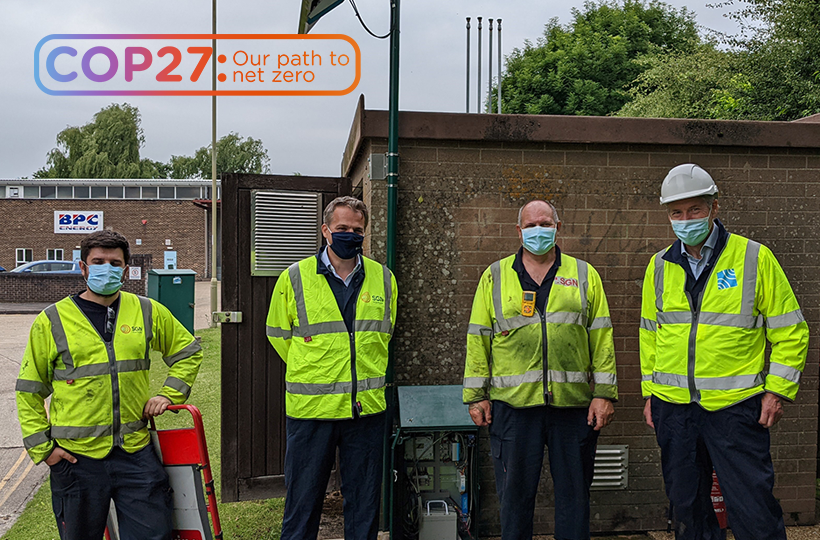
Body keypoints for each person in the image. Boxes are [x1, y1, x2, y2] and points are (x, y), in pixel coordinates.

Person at [640, 164, 809, 540]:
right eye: (677, 213)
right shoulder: (659, 266)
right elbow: (650, 334)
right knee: (687, 509)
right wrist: (650, 392)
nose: (686, 219)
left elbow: (790, 329)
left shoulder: (754, 258)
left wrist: (777, 389)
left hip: (735, 408)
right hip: (674, 409)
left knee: (752, 507)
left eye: (695, 209)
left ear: (715, 207)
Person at [15, 230, 203, 540]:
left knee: (154, 535)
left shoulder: (147, 310)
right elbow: (29, 390)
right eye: (98, 261)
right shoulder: (52, 320)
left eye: (115, 263)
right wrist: (44, 450)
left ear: (125, 270)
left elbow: (188, 353)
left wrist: (169, 394)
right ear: (83, 267)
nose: (107, 268)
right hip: (77, 460)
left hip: (135, 453)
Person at [463, 200, 618, 540]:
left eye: (545, 223)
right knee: (514, 502)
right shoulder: (495, 276)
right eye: (531, 225)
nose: (538, 230)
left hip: (573, 407)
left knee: (574, 500)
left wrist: (604, 394)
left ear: (557, 227)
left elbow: (602, 337)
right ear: (519, 231)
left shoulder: (583, 274)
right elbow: (478, 338)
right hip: (514, 409)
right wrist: (476, 396)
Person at [266, 196, 397, 540]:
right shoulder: (294, 278)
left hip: (366, 411)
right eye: (342, 229)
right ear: (326, 231)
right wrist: (319, 371)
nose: (350, 235)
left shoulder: (384, 279)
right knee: (302, 504)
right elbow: (279, 335)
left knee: (365, 504)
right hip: (312, 412)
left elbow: (386, 334)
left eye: (357, 230)